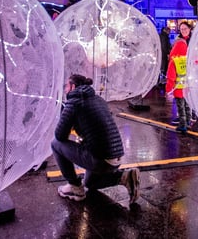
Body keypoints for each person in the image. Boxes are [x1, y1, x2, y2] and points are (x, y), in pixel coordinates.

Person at [51, 74, 140, 203]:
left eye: (66, 86)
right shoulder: (98, 99)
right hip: (115, 157)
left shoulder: (74, 102)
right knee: (89, 183)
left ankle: (74, 187)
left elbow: (59, 135)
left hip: (100, 159)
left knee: (55, 144)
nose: (65, 89)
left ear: (73, 86)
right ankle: (125, 177)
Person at [166, 22, 193, 133]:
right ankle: (188, 122)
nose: (183, 30)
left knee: (181, 107)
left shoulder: (175, 61)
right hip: (187, 86)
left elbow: (171, 77)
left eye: (185, 28)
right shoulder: (188, 60)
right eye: (181, 29)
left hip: (178, 88)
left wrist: (168, 90)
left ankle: (183, 125)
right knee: (187, 105)